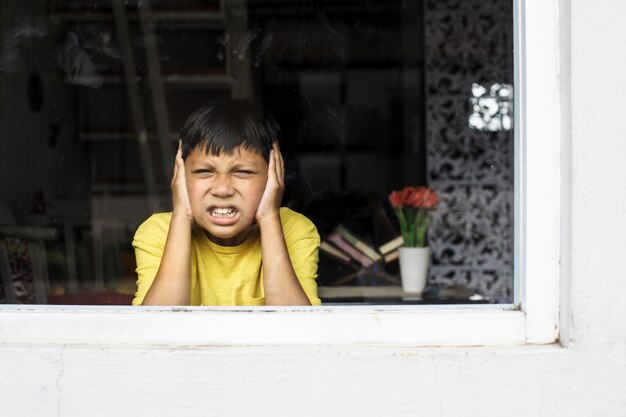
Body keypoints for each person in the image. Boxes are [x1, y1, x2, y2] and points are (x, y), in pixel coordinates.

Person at [132, 99, 321, 306]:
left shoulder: (294, 230)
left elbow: (296, 330)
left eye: (243, 172)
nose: (222, 189)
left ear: (273, 177)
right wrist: (182, 216)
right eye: (204, 171)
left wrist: (269, 217)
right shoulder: (158, 231)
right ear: (180, 177)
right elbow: (158, 329)